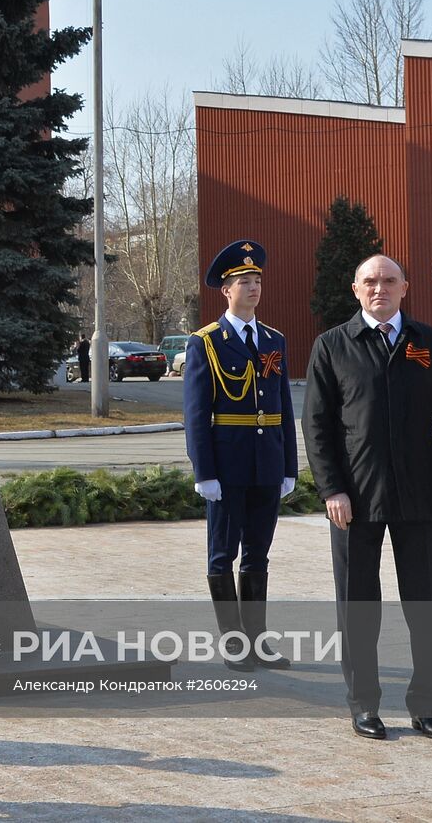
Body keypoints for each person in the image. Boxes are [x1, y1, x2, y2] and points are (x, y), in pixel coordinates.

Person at [303, 253, 432, 742]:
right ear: (356, 290)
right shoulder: (333, 346)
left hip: (419, 497)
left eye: (389, 281)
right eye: (370, 281)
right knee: (359, 606)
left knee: (423, 604)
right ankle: (364, 705)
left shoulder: (431, 344)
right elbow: (316, 427)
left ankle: (426, 707)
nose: (379, 288)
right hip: (354, 500)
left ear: (406, 288)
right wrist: (331, 489)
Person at [183, 240, 296, 671]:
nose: (252, 288)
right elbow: (196, 412)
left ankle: (258, 641)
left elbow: (283, 404)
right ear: (225, 290)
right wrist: (204, 470)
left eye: (257, 281)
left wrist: (289, 465)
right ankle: (234, 643)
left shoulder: (274, 339)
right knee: (221, 554)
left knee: (257, 555)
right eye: (243, 282)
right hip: (227, 466)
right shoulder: (207, 342)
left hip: (267, 463)